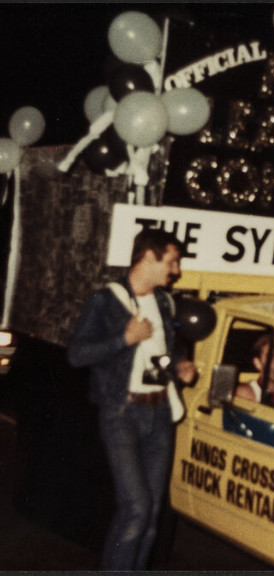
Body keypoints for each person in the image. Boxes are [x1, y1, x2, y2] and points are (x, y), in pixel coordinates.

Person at [67, 228, 197, 571]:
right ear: (149, 257)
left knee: (152, 516)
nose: (177, 270)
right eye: (172, 261)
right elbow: (77, 354)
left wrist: (180, 364)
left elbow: (165, 350)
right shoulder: (106, 300)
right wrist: (123, 339)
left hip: (160, 413)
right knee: (136, 508)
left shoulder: (165, 303)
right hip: (122, 412)